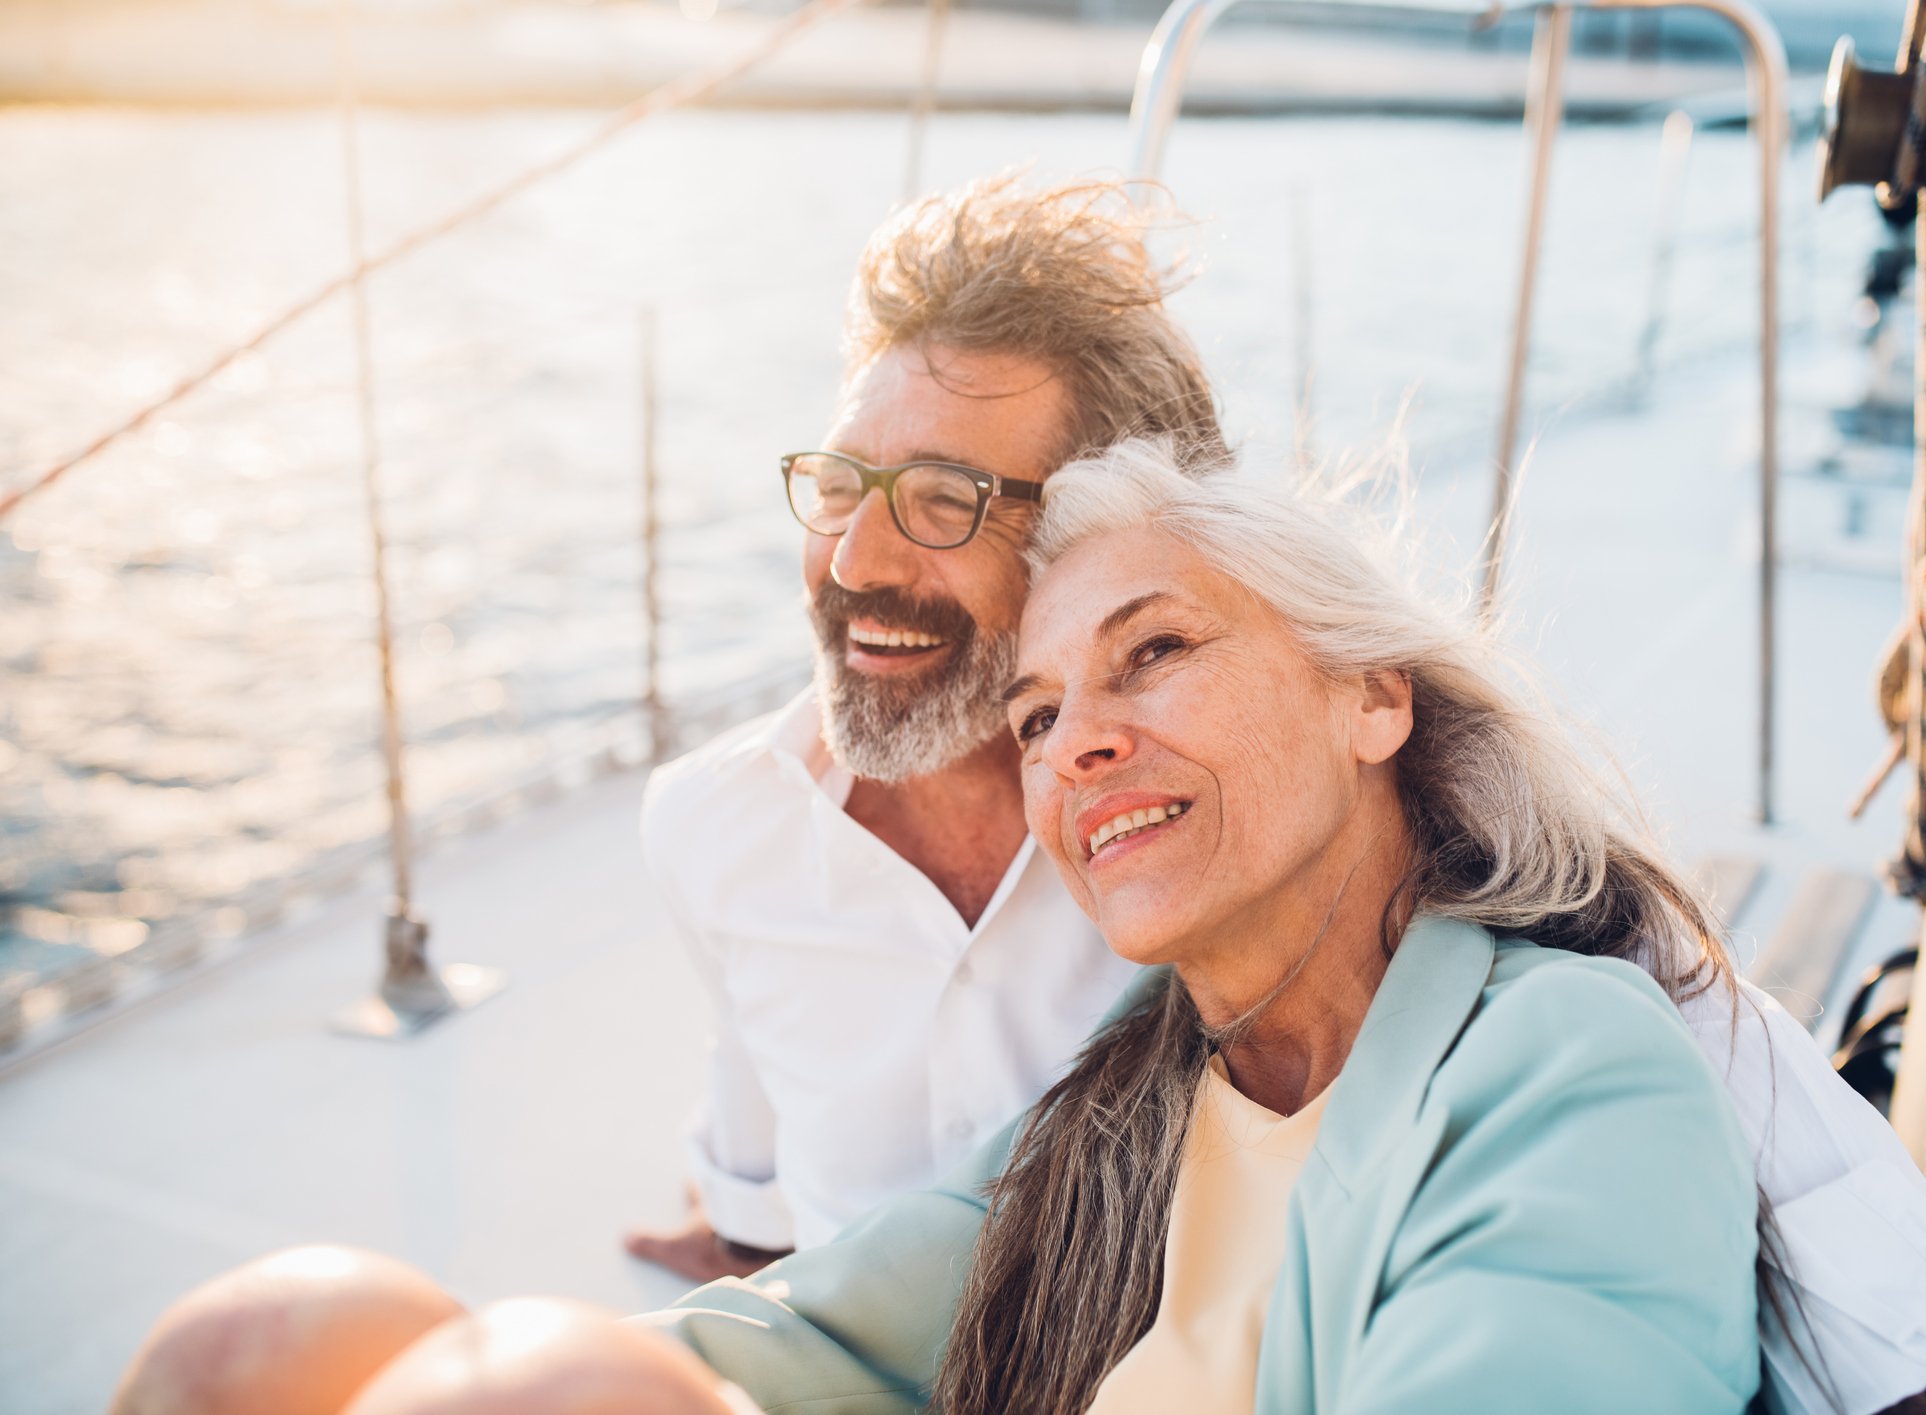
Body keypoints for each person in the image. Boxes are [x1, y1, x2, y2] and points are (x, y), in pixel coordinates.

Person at [114, 441, 1770, 1413]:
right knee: (279, 1345)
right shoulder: (1136, 1105)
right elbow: (818, 1336)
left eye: (1154, 653)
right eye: (1037, 713)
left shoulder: (1563, 1070)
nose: (1079, 742)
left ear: (1368, 702)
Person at [622, 174, 1227, 1281]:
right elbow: (763, 1202)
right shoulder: (712, 823)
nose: (853, 564)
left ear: (1107, 532)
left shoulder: (1226, 814)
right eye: (844, 484)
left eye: (943, 499)